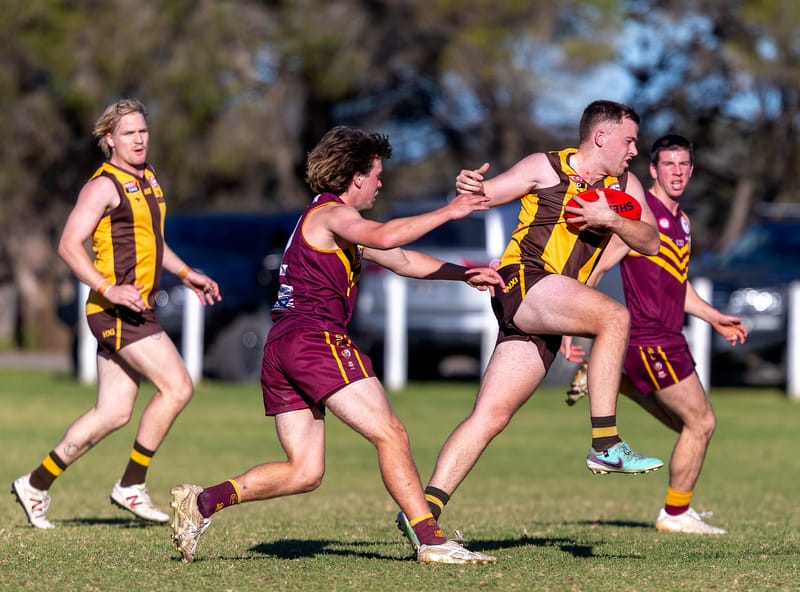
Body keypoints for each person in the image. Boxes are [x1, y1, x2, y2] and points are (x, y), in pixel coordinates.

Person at [169, 125, 503, 565]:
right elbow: (386, 237)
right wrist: (450, 211)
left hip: (284, 345)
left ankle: (202, 502)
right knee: (391, 433)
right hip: (315, 339)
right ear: (356, 176)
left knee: (305, 471)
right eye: (377, 174)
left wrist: (462, 274)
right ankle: (431, 538)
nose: (381, 183)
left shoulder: (336, 226)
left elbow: (400, 259)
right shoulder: (331, 215)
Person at [396, 99, 666, 550]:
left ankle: (423, 515)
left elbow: (652, 241)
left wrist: (612, 219)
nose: (634, 150)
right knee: (614, 315)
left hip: (551, 303)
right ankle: (605, 443)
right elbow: (483, 197)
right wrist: (465, 186)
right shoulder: (546, 166)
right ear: (601, 137)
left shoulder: (626, 185)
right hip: (525, 281)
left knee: (491, 416)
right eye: (629, 140)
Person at [11, 99, 221, 529]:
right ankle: (131, 484)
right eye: (129, 133)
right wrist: (109, 288)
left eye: (143, 131)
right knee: (178, 387)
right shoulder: (102, 186)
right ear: (110, 140)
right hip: (114, 310)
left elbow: (152, 242)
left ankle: (35, 484)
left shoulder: (149, 178)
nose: (139, 139)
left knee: (113, 413)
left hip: (133, 309)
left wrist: (186, 274)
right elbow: (68, 245)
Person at [565, 134, 747, 534]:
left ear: (692, 170)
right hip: (650, 339)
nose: (677, 172)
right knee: (701, 424)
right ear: (653, 169)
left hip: (669, 338)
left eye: (683, 164)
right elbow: (596, 270)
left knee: (689, 427)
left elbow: (677, 285)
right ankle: (676, 515)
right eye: (669, 164)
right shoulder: (638, 216)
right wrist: (569, 324)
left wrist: (714, 317)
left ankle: (624, 385)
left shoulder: (682, 221)